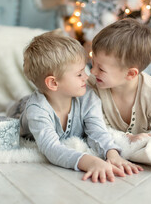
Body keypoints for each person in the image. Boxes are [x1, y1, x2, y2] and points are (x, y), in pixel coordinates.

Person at [16, 30, 142, 183]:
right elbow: (50, 148)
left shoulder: (88, 97)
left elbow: (98, 131)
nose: (87, 77)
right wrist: (89, 161)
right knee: (16, 109)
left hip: (46, 98)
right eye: (79, 74)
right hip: (20, 109)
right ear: (53, 83)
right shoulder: (37, 109)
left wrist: (112, 153)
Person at [88, 18, 151, 154]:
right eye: (92, 63)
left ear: (130, 74)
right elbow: (95, 128)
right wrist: (127, 138)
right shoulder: (93, 87)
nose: (92, 71)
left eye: (101, 69)